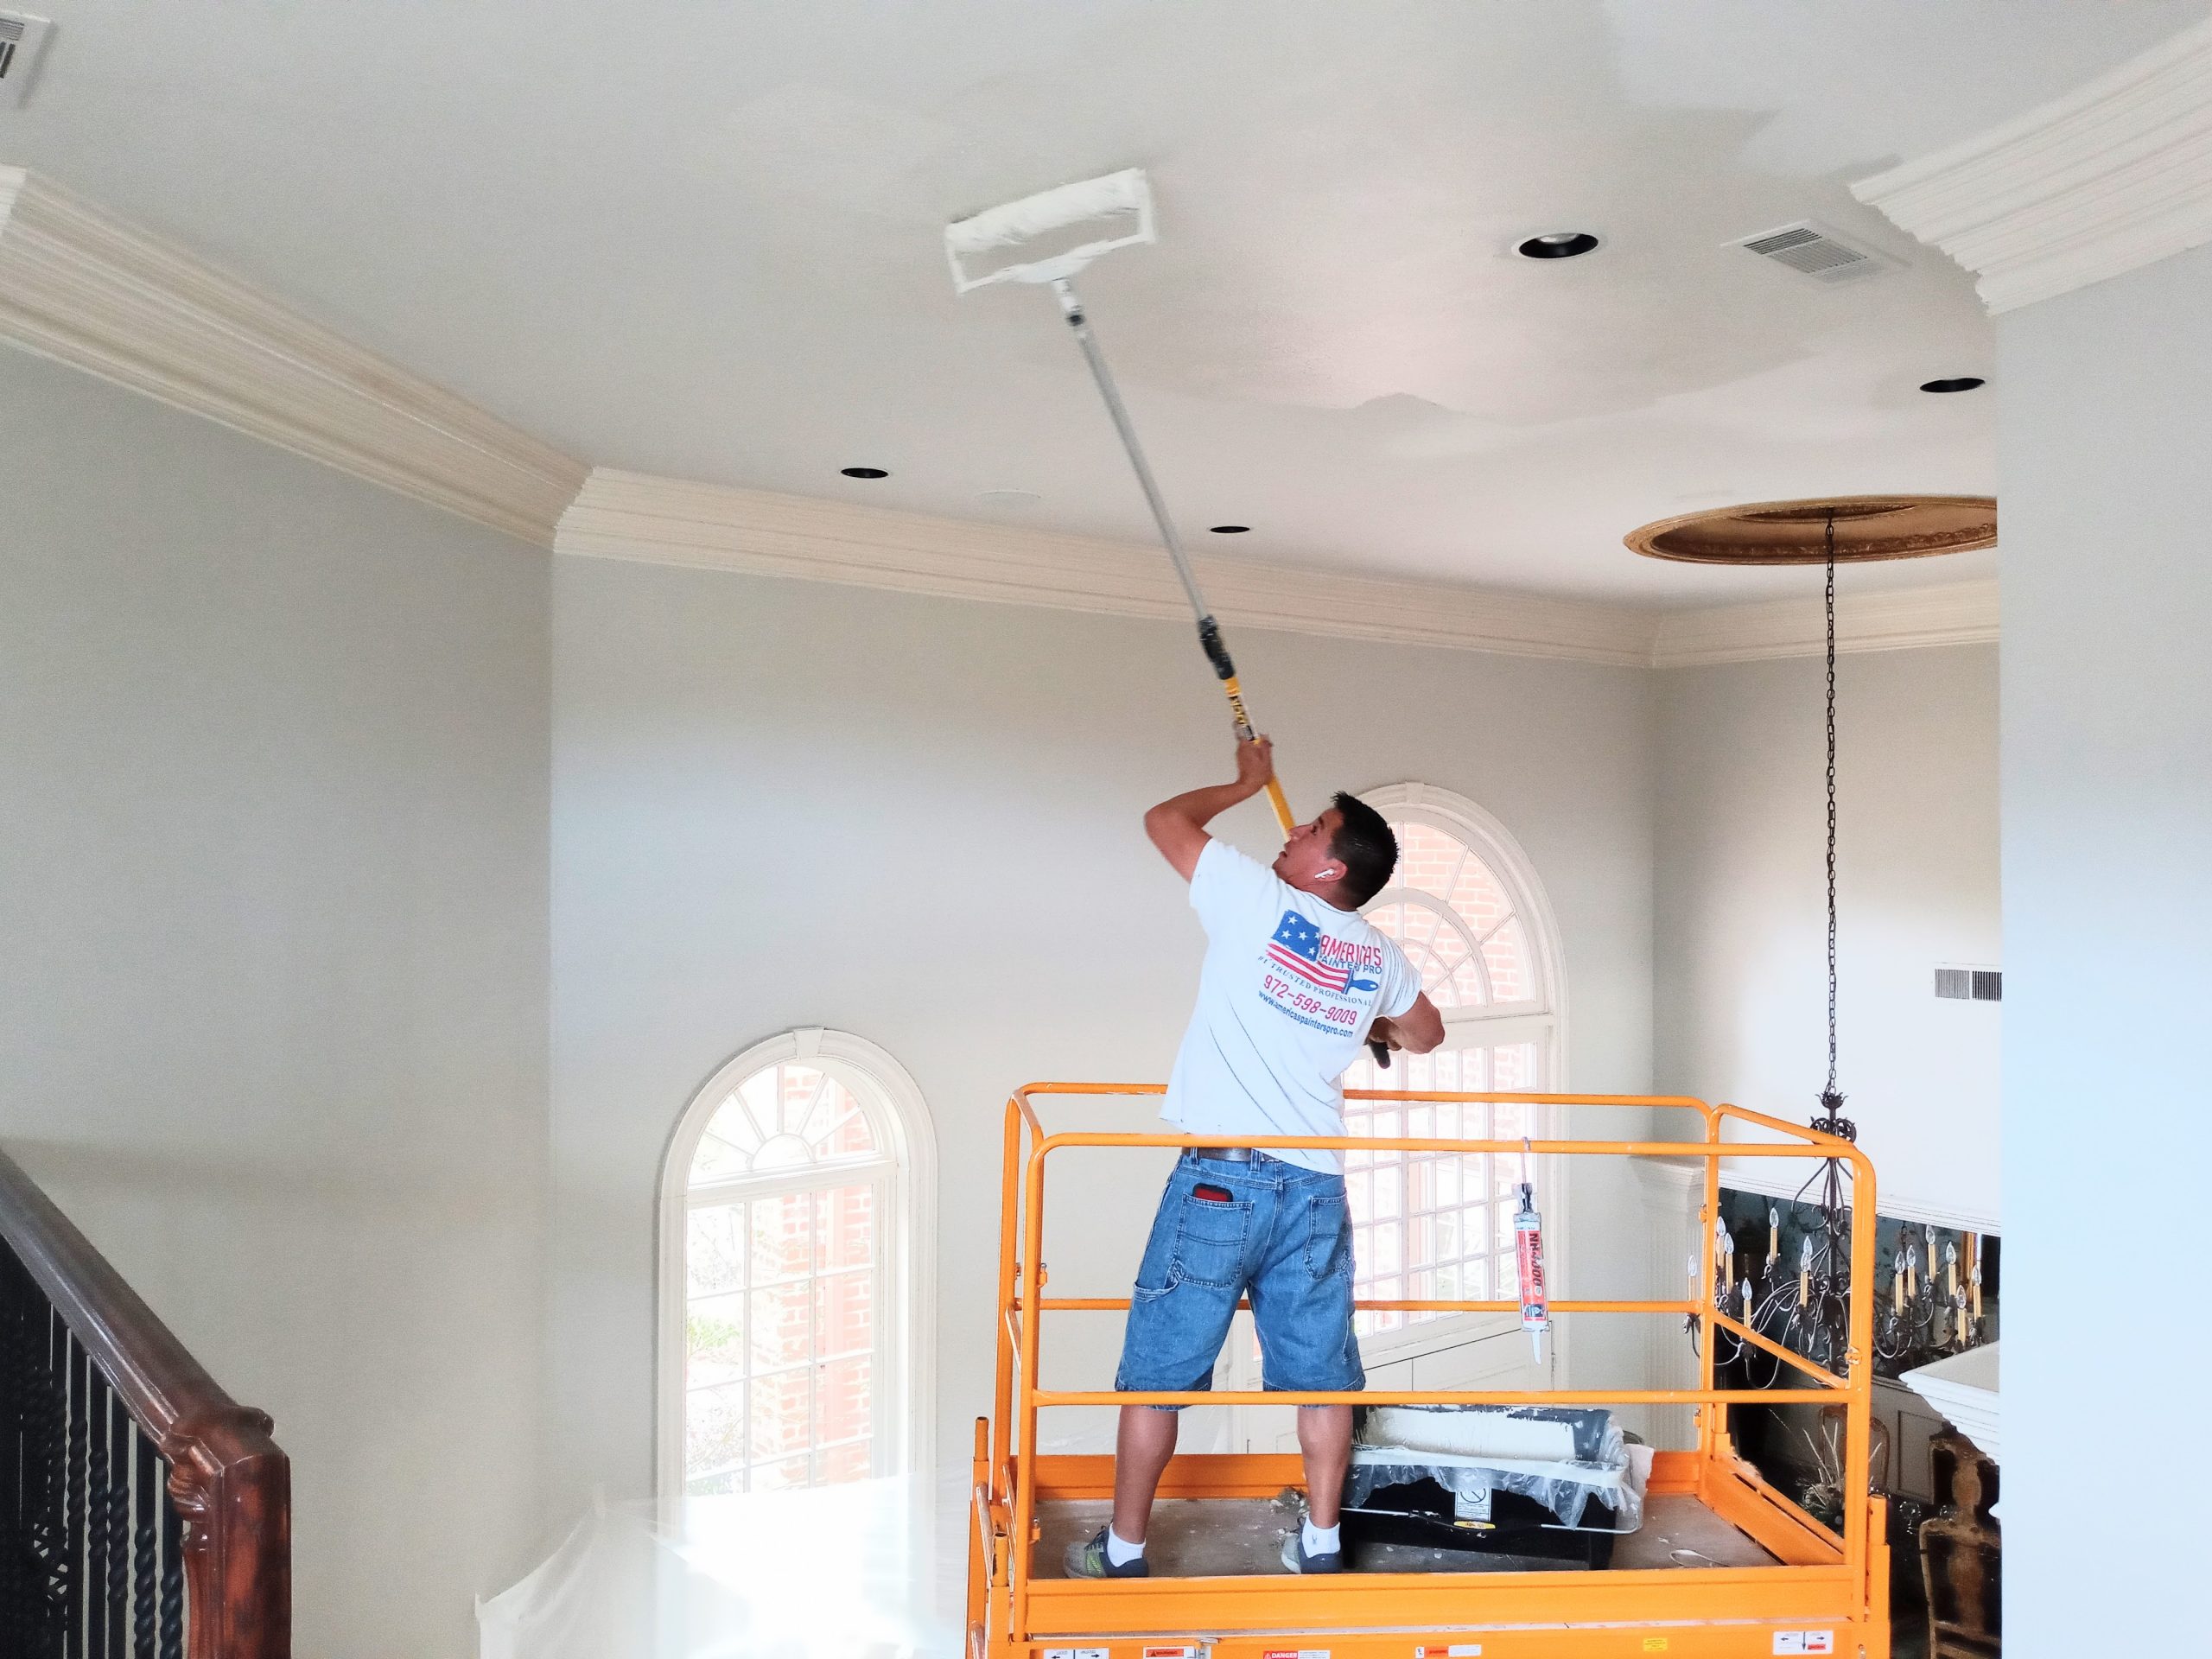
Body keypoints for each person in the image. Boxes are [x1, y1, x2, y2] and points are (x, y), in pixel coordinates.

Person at [1065, 735, 1445, 1580]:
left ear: (1329, 869)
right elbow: (1426, 1031)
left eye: (1312, 829)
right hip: (1313, 1188)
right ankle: (1318, 1543)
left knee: (1154, 1378)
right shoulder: (1374, 954)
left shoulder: (1254, 899)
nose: (1294, 833)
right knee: (1321, 1379)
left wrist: (1245, 783)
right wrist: (1359, 1017)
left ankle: (1124, 1551)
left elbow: (1164, 820)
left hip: (1220, 1183)